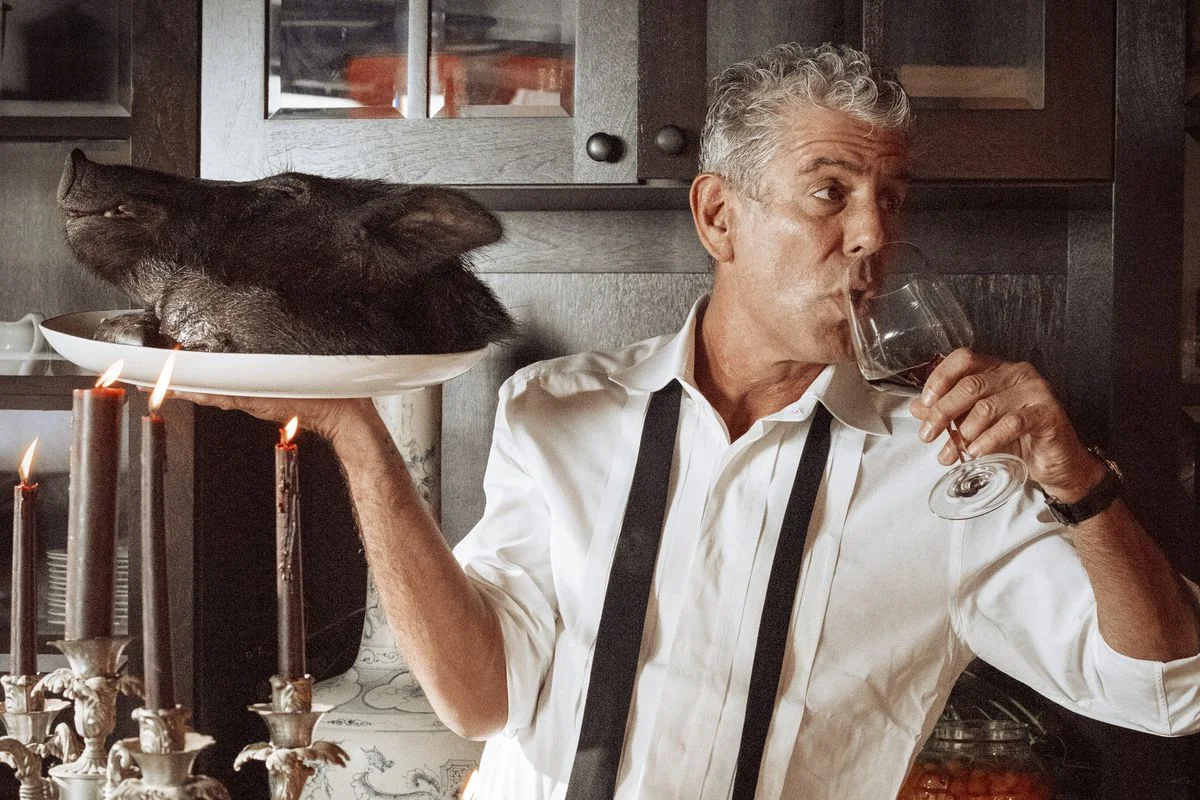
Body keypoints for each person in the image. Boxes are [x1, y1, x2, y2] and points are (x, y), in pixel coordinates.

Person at [183, 43, 1200, 799]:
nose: (872, 235)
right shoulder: (556, 410)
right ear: (718, 215)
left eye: (891, 200)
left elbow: (1170, 691)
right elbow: (481, 697)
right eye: (832, 192)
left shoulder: (945, 467)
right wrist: (358, 436)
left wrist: (1079, 484)